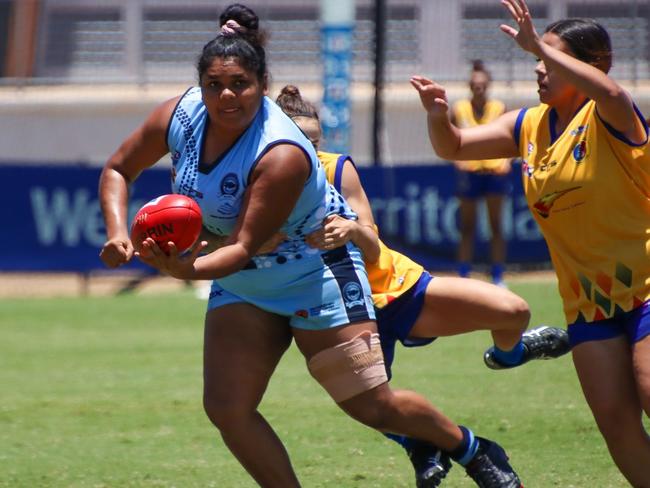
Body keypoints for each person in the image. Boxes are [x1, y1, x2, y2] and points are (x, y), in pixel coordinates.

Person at [98, 4, 523, 488]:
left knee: (369, 404)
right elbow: (118, 169)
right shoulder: (181, 114)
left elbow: (241, 247)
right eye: (214, 85)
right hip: (244, 282)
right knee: (227, 407)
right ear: (200, 85)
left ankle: (470, 447)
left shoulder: (280, 152)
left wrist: (179, 271)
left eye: (240, 83)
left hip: (315, 277)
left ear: (262, 83)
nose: (226, 96)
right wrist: (117, 232)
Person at [275, 83, 571, 487]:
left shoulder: (335, 168)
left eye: (314, 140)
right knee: (369, 403)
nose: (308, 150)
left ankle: (511, 353)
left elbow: (374, 249)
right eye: (298, 141)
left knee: (513, 310)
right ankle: (437, 446)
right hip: (336, 308)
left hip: (395, 287)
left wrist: (351, 230)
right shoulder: (263, 182)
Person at [411, 1, 650, 485]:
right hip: (588, 302)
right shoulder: (529, 125)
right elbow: (453, 146)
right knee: (615, 421)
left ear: (590, 65)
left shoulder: (611, 114)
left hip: (645, 284)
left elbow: (612, 92)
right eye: (538, 59)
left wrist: (537, 41)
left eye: (550, 58)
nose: (539, 67)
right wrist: (437, 115)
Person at [450, 60, 512, 286]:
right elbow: (448, 137)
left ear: (488, 86)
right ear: (469, 86)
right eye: (475, 85)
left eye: (483, 85)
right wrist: (456, 161)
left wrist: (506, 162)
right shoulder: (459, 109)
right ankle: (464, 273)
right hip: (470, 173)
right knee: (467, 226)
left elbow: (511, 139)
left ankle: (497, 274)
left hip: (494, 173)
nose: (479, 89)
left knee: (495, 225)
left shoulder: (499, 107)